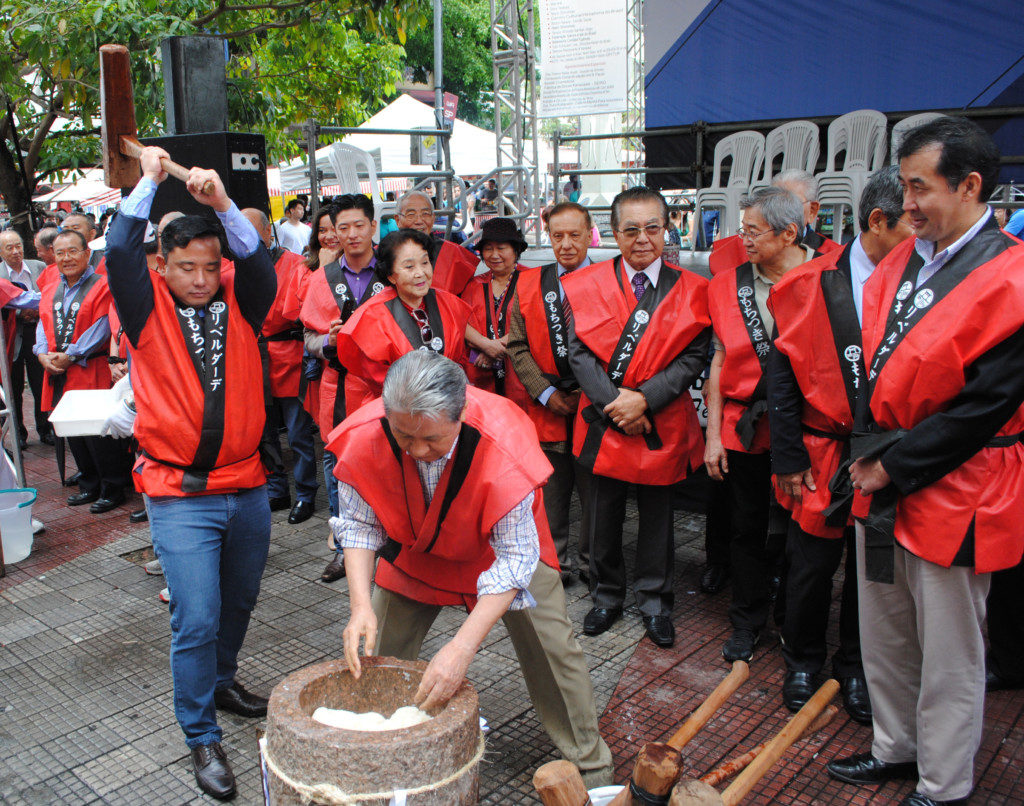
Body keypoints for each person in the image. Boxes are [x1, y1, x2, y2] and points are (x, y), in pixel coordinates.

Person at [823, 117, 1024, 806]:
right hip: (881, 474)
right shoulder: (908, 258)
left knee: (950, 648)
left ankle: (943, 783)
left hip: (956, 485)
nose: (904, 204)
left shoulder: (1014, 275)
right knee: (885, 626)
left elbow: (983, 407)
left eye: (918, 187)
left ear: (970, 186)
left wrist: (894, 466)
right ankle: (896, 747)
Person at [333, 350, 614, 788]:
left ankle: (593, 767)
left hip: (501, 552)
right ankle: (372, 752)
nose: (418, 451)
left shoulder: (504, 441)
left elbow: (516, 559)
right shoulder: (369, 432)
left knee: (554, 651)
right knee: (376, 653)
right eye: (405, 437)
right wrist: (358, 607)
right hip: (417, 547)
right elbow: (357, 524)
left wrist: (461, 650)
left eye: (432, 440)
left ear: (460, 413)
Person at [104, 145, 277, 801]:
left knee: (237, 601)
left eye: (210, 266)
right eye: (186, 268)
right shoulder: (143, 307)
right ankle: (200, 733)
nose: (201, 278)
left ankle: (223, 680)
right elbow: (119, 253)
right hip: (178, 494)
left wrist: (223, 204)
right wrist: (150, 180)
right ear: (162, 266)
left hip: (248, 484)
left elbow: (256, 261)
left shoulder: (242, 299)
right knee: (196, 615)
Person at [766, 166, 912, 721]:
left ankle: (856, 664)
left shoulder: (918, 283)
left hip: (884, 451)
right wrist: (788, 455)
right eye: (910, 228)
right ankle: (802, 658)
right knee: (810, 562)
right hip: (822, 449)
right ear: (877, 220)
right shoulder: (804, 283)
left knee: (872, 568)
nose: (919, 242)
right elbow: (781, 378)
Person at [564, 186, 711, 648]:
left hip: (661, 420)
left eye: (653, 227)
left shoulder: (692, 289)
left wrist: (644, 399)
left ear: (667, 229)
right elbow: (578, 353)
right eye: (631, 229)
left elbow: (694, 357)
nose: (642, 239)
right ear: (613, 232)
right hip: (607, 421)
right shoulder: (586, 284)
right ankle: (605, 596)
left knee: (658, 519)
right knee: (601, 515)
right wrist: (619, 406)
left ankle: (655, 602)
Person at [705, 187, 819, 664]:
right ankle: (746, 620)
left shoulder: (826, 277)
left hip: (810, 429)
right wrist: (713, 434)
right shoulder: (725, 284)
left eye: (753, 231)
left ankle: (794, 622)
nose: (743, 239)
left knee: (804, 533)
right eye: (742, 229)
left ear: (790, 232)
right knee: (747, 526)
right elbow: (716, 361)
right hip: (743, 425)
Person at [507, 201, 594, 585]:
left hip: (596, 408)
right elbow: (517, 345)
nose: (567, 245)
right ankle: (554, 566)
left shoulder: (610, 279)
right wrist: (544, 393)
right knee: (552, 494)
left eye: (575, 235)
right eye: (557, 236)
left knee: (597, 498)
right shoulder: (528, 283)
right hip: (547, 407)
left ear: (591, 234)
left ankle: (595, 567)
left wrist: (593, 393)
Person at [299, 196, 383, 581]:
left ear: (372, 226)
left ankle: (395, 548)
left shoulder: (395, 268)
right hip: (341, 385)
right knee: (339, 466)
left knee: (392, 461)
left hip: (388, 385)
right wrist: (329, 342)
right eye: (342, 227)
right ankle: (346, 549)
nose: (351, 234)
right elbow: (309, 338)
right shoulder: (321, 279)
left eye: (358, 225)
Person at [36, 229, 130, 513]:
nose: (67, 258)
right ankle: (89, 484)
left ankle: (112, 488)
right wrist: (41, 353)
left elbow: (103, 326)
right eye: (60, 253)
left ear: (87, 253)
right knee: (72, 430)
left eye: (73, 251)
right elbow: (43, 323)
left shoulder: (102, 284)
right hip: (58, 370)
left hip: (91, 367)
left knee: (99, 432)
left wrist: (72, 353)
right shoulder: (52, 287)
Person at [336, 228, 471, 415]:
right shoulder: (372, 317)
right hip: (399, 413)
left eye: (425, 262)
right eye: (409, 267)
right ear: (391, 275)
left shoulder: (450, 304)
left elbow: (460, 360)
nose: (420, 273)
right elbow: (379, 380)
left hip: (449, 410)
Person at [243, 208, 319, 525]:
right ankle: (277, 489)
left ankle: (305, 494)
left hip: (288, 353)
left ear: (267, 232)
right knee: (264, 432)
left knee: (299, 433)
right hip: (251, 356)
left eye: (250, 229)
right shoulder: (235, 267)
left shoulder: (295, 264)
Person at [708, 170, 842, 277]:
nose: (778, 211)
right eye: (772, 202)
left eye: (791, 203)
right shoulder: (731, 253)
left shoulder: (834, 258)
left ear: (812, 211)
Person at [461, 218, 531, 405]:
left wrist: (494, 348)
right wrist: (485, 344)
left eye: (501, 248)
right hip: (482, 375)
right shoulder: (474, 284)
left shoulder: (532, 280)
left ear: (515, 250)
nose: (494, 254)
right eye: (489, 248)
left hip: (520, 373)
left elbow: (535, 322)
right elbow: (460, 321)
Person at [0, 230, 51, 446]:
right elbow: (18, 301)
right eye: (9, 248)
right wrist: (22, 312)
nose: (15, 251)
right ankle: (19, 433)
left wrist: (38, 311)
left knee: (41, 383)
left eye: (18, 245)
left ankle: (45, 428)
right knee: (14, 385)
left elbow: (48, 295)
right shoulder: (0, 275)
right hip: (12, 336)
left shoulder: (39, 267)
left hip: (38, 332)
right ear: (1, 252)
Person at [394, 190, 479, 295]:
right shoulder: (387, 254)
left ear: (433, 218)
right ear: (398, 220)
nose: (419, 221)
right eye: (411, 215)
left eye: (425, 214)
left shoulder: (452, 254)